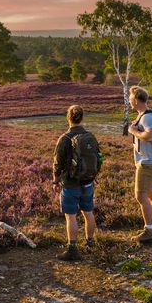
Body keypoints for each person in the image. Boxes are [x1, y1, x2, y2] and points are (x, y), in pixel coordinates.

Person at [52, 105, 100, 261]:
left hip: (70, 184)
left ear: (68, 117)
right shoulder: (90, 136)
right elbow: (98, 158)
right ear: (82, 117)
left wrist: (55, 180)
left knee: (71, 216)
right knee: (88, 213)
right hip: (88, 182)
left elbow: (57, 163)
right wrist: (94, 175)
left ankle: (72, 249)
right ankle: (90, 243)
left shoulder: (64, 138)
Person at [127, 85, 152, 243]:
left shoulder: (148, 117)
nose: (129, 101)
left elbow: (151, 136)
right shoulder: (144, 115)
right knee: (151, 192)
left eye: (130, 99)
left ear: (135, 100)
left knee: (140, 195)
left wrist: (133, 131)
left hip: (148, 162)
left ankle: (149, 230)